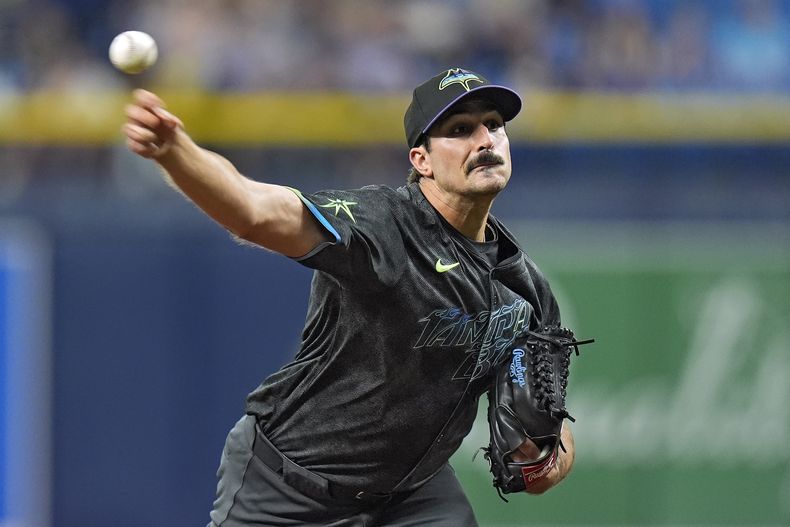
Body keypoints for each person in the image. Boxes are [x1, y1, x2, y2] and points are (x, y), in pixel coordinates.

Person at [123, 67, 576, 527]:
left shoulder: (525, 291)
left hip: (412, 494)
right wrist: (176, 153)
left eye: (494, 126)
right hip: (293, 484)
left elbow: (552, 433)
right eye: (460, 130)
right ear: (421, 160)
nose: (484, 140)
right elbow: (254, 212)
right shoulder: (383, 226)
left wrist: (547, 457)